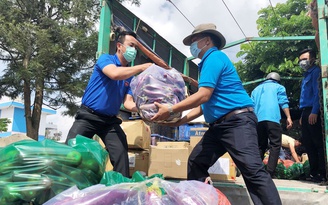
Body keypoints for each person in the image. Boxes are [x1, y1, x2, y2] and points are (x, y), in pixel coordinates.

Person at [151, 23, 281, 205]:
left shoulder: (214, 57)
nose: (192, 46)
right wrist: (178, 122)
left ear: (207, 40)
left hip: (237, 122)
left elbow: (203, 95)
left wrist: (171, 109)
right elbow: (204, 105)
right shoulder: (207, 64)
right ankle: (201, 200)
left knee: (253, 171)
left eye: (195, 40)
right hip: (219, 126)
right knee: (196, 161)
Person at [65, 31, 152, 177]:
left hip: (109, 122)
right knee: (69, 153)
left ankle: (120, 189)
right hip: (88, 116)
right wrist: (142, 67)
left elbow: (128, 103)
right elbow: (114, 74)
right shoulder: (106, 59)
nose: (134, 51)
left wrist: (145, 110)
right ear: (119, 46)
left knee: (120, 154)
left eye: (136, 48)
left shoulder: (130, 77)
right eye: (131, 45)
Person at [251, 72, 293, 178]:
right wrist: (288, 117)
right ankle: (270, 172)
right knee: (275, 145)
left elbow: (251, 105)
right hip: (272, 119)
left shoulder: (256, 90)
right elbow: (283, 102)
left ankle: (255, 171)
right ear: (277, 80)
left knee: (260, 146)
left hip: (258, 120)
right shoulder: (279, 87)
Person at [298, 48, 326, 183]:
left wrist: (314, 111)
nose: (302, 62)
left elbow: (317, 93)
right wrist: (304, 115)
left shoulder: (316, 72)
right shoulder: (305, 75)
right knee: (308, 144)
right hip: (305, 111)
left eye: (304, 59)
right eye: (300, 60)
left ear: (313, 59)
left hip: (312, 110)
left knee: (317, 143)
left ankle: (322, 172)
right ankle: (313, 173)